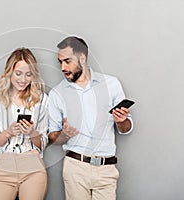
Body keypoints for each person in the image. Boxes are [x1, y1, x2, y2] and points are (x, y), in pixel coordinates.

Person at [48, 36, 133, 200]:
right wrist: (63, 135)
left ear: (82, 58)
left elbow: (126, 128)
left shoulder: (111, 84)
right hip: (75, 168)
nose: (63, 67)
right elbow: (52, 136)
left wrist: (122, 121)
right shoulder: (57, 93)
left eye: (67, 61)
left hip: (106, 169)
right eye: (60, 62)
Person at [0, 47, 48, 200]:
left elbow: (42, 143)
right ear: (9, 72)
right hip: (2, 166)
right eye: (18, 73)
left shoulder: (42, 100)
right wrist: (8, 132)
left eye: (28, 74)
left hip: (33, 166)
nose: (23, 80)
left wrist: (32, 133)